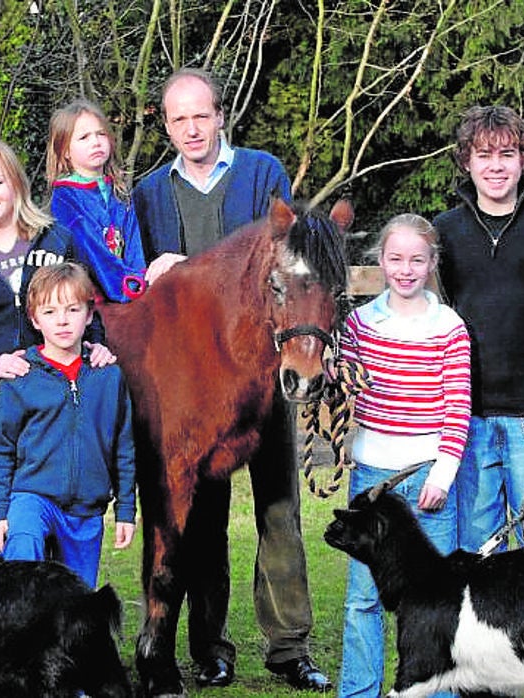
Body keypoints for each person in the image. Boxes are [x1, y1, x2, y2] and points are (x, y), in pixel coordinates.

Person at [131, 67, 330, 692]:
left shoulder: (263, 175)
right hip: (193, 382)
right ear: (166, 125)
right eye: (177, 118)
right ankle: (209, 646)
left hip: (262, 373)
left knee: (278, 511)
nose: (191, 128)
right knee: (204, 517)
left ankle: (289, 648)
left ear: (222, 116)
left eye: (201, 115)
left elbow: (283, 262)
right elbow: (139, 287)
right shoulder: (148, 194)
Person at [0, 137, 112, 563]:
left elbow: (88, 309)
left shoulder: (57, 240)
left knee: (47, 535)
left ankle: (49, 630)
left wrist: (100, 347)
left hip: (46, 414)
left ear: (15, 183)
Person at [432, 105, 524, 553]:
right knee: (479, 552)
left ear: (523, 160)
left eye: (507, 154)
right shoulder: (444, 231)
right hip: (468, 418)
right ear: (466, 161)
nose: (495, 166)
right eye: (483, 155)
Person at [336, 214, 471, 698]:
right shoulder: (360, 324)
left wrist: (444, 473)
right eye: (396, 259)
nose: (406, 269)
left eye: (417, 259)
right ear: (380, 261)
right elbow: (343, 391)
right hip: (372, 479)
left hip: (427, 477)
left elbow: (458, 406)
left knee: (437, 597)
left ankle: (437, 688)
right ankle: (359, 688)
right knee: (364, 597)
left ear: (433, 263)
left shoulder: (448, 327)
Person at [0, 262, 137, 586]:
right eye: (51, 312)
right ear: (35, 319)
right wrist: (0, 512)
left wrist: (125, 510)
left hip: (86, 508)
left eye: (72, 309)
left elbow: (124, 446)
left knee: (78, 602)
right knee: (23, 558)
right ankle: (18, 634)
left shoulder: (108, 376)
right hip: (33, 495)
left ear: (89, 315)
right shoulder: (21, 375)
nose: (63, 320)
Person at [45, 99, 147, 302]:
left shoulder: (119, 191)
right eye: (84, 137)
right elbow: (90, 248)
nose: (96, 142)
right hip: (90, 297)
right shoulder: (66, 197)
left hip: (132, 289)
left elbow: (134, 241)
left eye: (101, 134)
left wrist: (138, 278)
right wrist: (123, 284)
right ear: (65, 150)